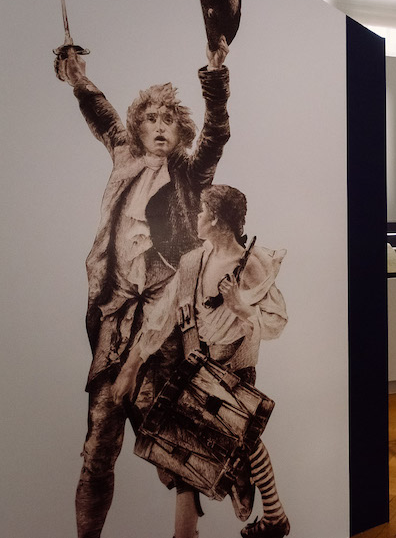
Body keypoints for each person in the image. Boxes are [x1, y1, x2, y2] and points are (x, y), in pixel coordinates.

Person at [54, 37, 232, 538]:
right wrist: (78, 77)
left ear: (180, 132)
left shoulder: (192, 175)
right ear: (139, 128)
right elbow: (100, 111)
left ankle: (187, 529)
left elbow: (217, 133)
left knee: (167, 434)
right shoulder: (123, 154)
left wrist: (215, 76)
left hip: (161, 319)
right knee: (99, 440)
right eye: (150, 119)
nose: (158, 126)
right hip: (113, 315)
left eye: (168, 121)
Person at [113, 185, 291, 538]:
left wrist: (242, 308)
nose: (195, 217)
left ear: (215, 219)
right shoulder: (194, 262)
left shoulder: (251, 266)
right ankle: (194, 533)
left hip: (235, 370)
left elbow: (276, 324)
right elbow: (161, 317)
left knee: (243, 441)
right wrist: (132, 366)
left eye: (200, 212)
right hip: (197, 369)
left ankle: (273, 518)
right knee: (183, 449)